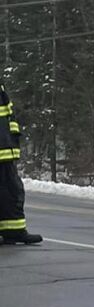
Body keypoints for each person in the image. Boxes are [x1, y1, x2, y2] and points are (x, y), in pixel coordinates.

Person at [0, 81, 41, 246]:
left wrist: (12, 143)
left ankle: (13, 231)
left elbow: (8, 118)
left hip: (5, 151)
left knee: (11, 191)